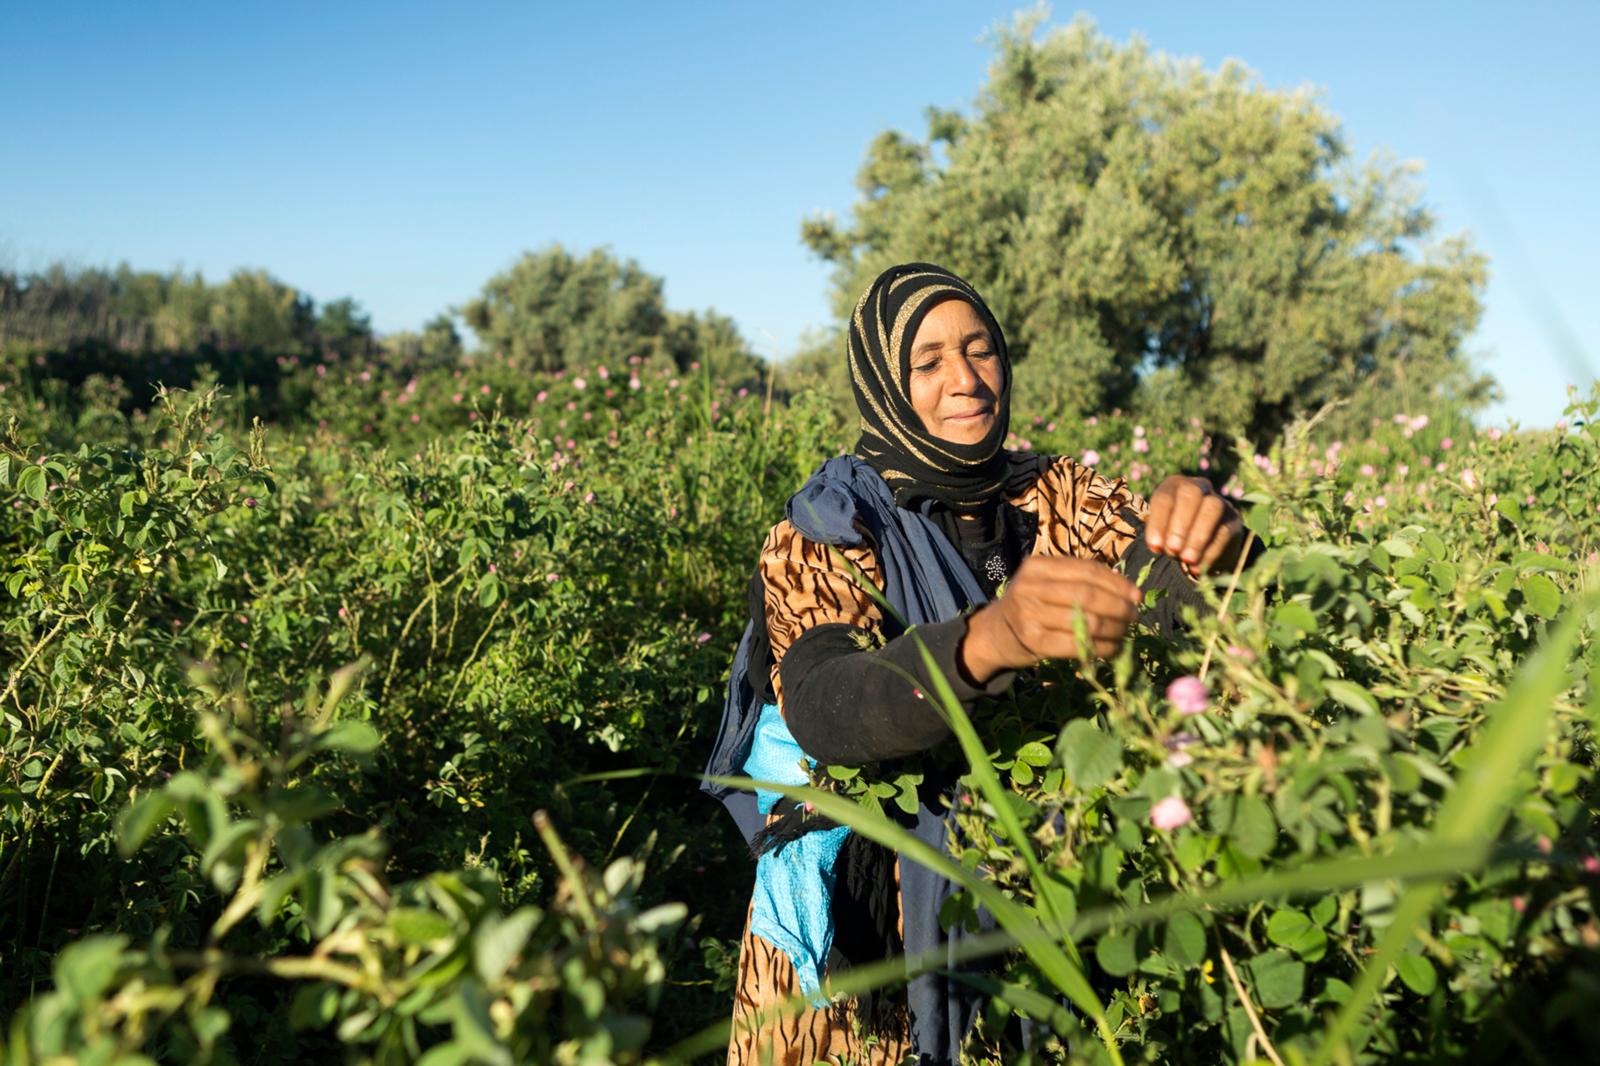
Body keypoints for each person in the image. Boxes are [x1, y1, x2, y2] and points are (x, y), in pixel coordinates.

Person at [704, 262, 1248, 1065]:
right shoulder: (829, 528)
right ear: (884, 382)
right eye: (927, 362)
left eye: (981, 350)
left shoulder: (1051, 494)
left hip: (1033, 885)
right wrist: (986, 641)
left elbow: (1174, 592)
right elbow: (827, 702)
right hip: (864, 937)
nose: (966, 381)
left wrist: (1212, 534)